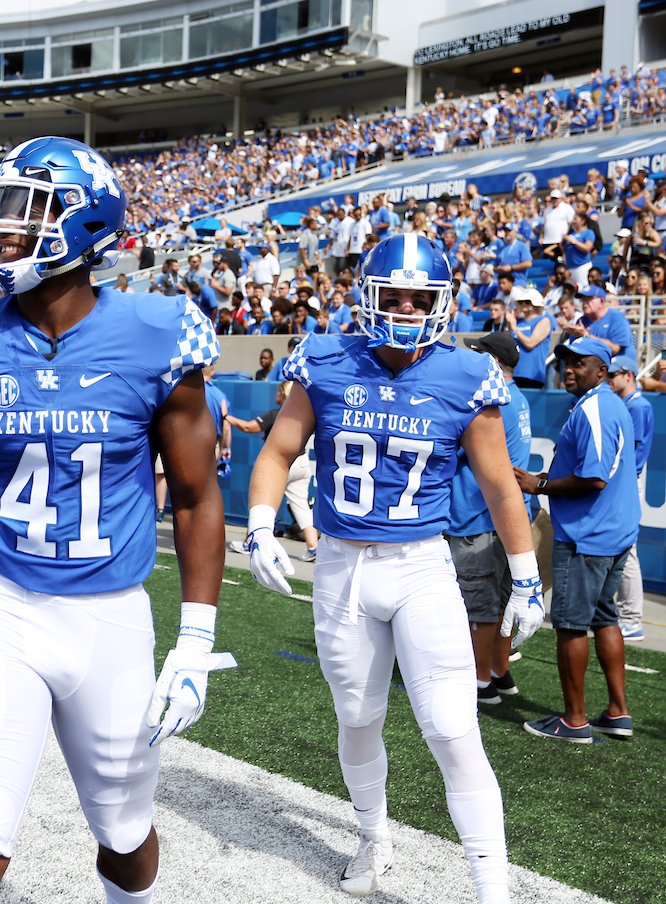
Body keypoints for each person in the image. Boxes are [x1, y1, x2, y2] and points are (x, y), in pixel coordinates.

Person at [0, 136, 230, 904]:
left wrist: (196, 638)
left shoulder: (159, 331)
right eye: (2, 209)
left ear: (87, 223)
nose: (5, 227)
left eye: (29, 209)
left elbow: (193, 496)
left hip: (109, 617)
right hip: (2, 608)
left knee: (123, 836)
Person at [246, 233, 541, 903]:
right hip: (341, 569)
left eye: (421, 298)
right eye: (394, 295)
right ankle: (374, 835)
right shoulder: (324, 359)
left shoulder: (467, 374)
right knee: (356, 717)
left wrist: (525, 575)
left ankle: (492, 890)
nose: (406, 308)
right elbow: (276, 454)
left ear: (443, 302)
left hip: (419, 566)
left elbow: (500, 487)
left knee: (450, 725)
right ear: (366, 296)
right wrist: (261, 524)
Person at [514, 338, 640, 743]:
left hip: (589, 535)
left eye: (579, 364)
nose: (568, 369)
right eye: (566, 362)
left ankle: (574, 720)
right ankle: (617, 712)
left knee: (571, 625)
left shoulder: (597, 407)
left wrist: (540, 484)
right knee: (605, 619)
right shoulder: (602, 402)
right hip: (610, 531)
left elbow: (595, 477)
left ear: (601, 370)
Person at [450, 332, 532, 705]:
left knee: (480, 608)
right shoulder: (518, 399)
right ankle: (499, 671)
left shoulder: (493, 403)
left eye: (479, 355)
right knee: (498, 604)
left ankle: (480, 682)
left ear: (494, 363)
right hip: (497, 519)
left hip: (478, 517)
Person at [226, 380, 318, 561]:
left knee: (262, 501)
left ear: (283, 394)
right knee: (301, 506)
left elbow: (247, 427)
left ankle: (248, 543)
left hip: (284, 464)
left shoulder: (277, 414)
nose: (275, 394)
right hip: (302, 462)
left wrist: (226, 418)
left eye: (278, 391)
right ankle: (314, 547)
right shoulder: (303, 413)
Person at [606, 354, 655, 642]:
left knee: (628, 550)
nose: (610, 379)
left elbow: (628, 454)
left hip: (626, 483)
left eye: (615, 374)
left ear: (630, 375)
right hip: (623, 482)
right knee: (621, 547)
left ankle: (631, 619)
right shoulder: (629, 404)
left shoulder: (638, 405)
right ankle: (625, 615)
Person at [506, 287, 553, 389]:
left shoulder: (544, 320)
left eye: (527, 302)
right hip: (514, 374)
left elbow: (530, 344)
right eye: (521, 302)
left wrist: (514, 328)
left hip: (531, 374)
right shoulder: (518, 322)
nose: (523, 304)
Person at [576, 285, 634, 357]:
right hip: (593, 362)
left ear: (601, 301)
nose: (584, 303)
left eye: (588, 299)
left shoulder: (617, 317)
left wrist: (586, 336)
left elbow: (614, 349)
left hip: (618, 362)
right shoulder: (582, 321)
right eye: (583, 300)